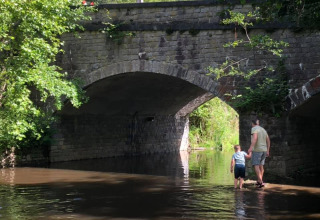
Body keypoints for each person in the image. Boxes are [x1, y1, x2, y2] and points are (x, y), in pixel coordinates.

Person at [248, 119, 270, 188]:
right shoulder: (263, 129)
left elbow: (254, 138)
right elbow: (268, 140)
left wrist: (251, 147)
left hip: (257, 150)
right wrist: (268, 150)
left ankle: (260, 181)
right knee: (261, 165)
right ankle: (259, 180)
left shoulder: (254, 128)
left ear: (252, 123)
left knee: (256, 165)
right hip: (264, 150)